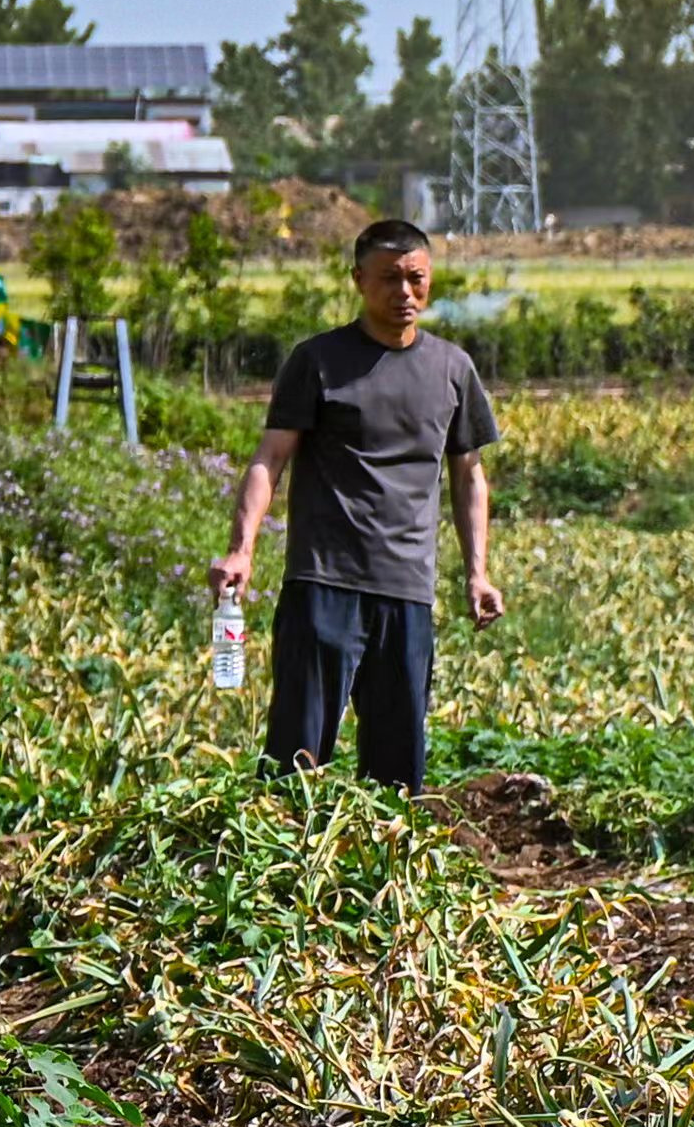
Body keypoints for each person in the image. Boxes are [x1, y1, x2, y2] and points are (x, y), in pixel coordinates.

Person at [214, 215, 500, 788]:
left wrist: (477, 573)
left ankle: (386, 873)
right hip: (324, 582)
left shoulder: (452, 369)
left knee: (397, 767)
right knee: (297, 755)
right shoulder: (318, 361)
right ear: (358, 281)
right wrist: (241, 549)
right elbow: (269, 458)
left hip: (406, 589)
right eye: (389, 279)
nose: (404, 293)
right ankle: (287, 864)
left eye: (416, 279)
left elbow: (468, 474)